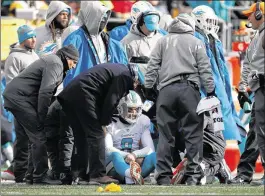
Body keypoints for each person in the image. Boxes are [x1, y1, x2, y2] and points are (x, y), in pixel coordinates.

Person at [144, 14, 215, 185]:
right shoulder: (196, 42)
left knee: (165, 136)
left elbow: (152, 65)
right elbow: (205, 68)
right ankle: (192, 175)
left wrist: (148, 87)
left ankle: (163, 176)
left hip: (166, 90)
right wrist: (211, 90)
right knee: (193, 134)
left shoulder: (163, 40)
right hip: (189, 90)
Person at [3, 44, 79, 184]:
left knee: (32, 138)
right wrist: (43, 116)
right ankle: (40, 175)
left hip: (17, 97)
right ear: (67, 57)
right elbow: (46, 92)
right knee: (39, 136)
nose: (74, 66)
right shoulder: (56, 63)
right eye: (73, 62)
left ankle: (31, 175)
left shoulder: (55, 62)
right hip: (21, 98)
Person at [56, 63, 139, 185]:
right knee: (97, 134)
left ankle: (79, 174)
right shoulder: (125, 76)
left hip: (69, 94)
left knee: (81, 136)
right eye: (137, 84)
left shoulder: (118, 70)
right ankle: (98, 175)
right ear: (135, 78)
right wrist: (104, 123)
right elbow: (112, 100)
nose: (136, 87)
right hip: (83, 93)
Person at [230, 1, 265, 186]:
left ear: (260, 15)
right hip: (259, 89)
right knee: (255, 131)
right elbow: (251, 64)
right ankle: (244, 173)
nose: (248, 17)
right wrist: (244, 84)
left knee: (261, 131)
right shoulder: (258, 36)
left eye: (251, 14)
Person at [1, 24, 39, 182]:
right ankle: (20, 172)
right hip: (22, 104)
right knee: (23, 140)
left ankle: (26, 170)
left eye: (35, 36)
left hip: (35, 103)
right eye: (30, 37)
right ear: (23, 39)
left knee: (32, 140)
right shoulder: (14, 57)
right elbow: (11, 83)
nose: (34, 40)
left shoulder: (34, 55)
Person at [62, 1, 128, 86]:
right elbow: (67, 70)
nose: (103, 20)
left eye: (105, 17)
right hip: (81, 89)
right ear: (91, 16)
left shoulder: (111, 43)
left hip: (104, 88)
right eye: (100, 17)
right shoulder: (75, 38)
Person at [105, 91, 156, 185]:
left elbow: (150, 149)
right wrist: (126, 155)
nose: (134, 112)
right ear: (121, 108)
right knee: (115, 155)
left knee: (154, 155)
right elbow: (108, 150)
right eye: (130, 109)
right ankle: (131, 174)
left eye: (137, 109)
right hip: (116, 167)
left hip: (136, 165)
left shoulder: (143, 120)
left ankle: (167, 174)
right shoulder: (111, 122)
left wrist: (135, 155)